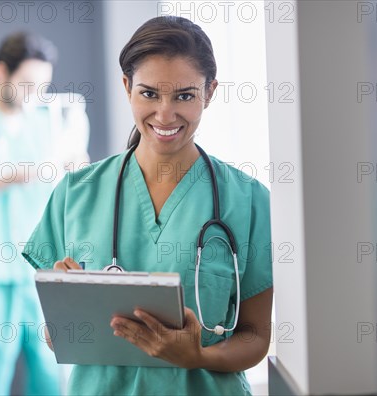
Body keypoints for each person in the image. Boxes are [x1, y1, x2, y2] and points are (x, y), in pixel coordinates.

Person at [21, 16, 273, 395]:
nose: (165, 114)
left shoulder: (249, 199)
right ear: (127, 87)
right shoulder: (75, 193)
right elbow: (58, 340)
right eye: (149, 93)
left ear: (210, 92)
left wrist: (199, 358)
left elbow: (255, 336)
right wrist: (67, 311)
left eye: (185, 95)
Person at [0, 32, 74, 395]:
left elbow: (59, 194)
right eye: (25, 84)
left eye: (42, 86)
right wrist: (2, 180)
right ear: (0, 73)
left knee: (53, 379)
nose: (33, 95)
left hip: (40, 274)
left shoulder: (48, 127)